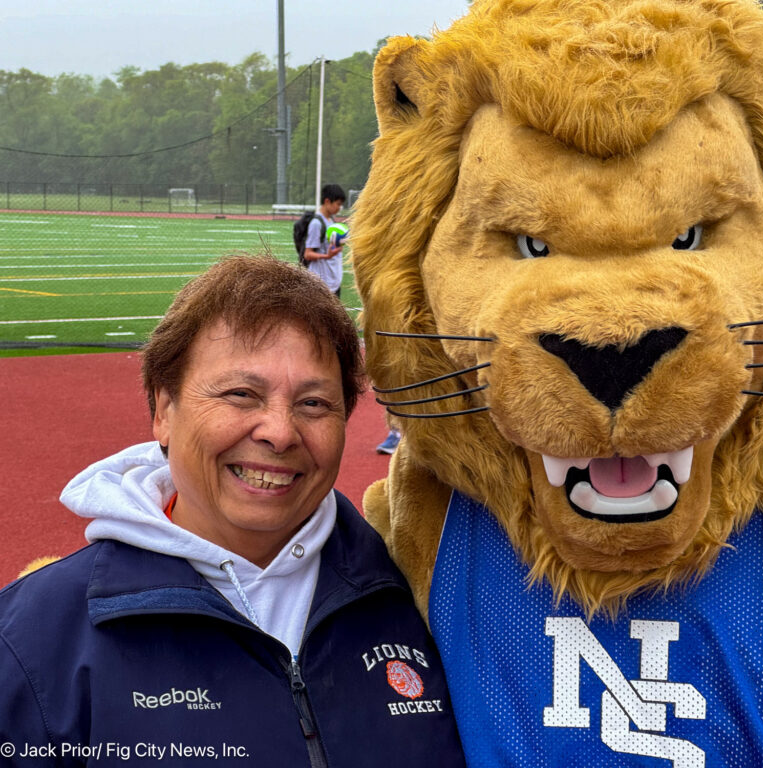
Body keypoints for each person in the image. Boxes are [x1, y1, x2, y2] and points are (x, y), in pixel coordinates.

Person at [0, 256, 466, 767]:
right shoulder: (31, 642)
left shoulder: (425, 591)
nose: (280, 432)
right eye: (241, 394)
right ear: (163, 410)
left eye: (314, 403)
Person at [304, 183, 347, 297]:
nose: (339, 208)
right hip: (321, 284)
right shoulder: (316, 223)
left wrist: (339, 245)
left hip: (333, 282)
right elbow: (308, 254)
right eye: (338, 204)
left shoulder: (331, 221)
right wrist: (327, 256)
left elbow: (330, 247)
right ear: (327, 201)